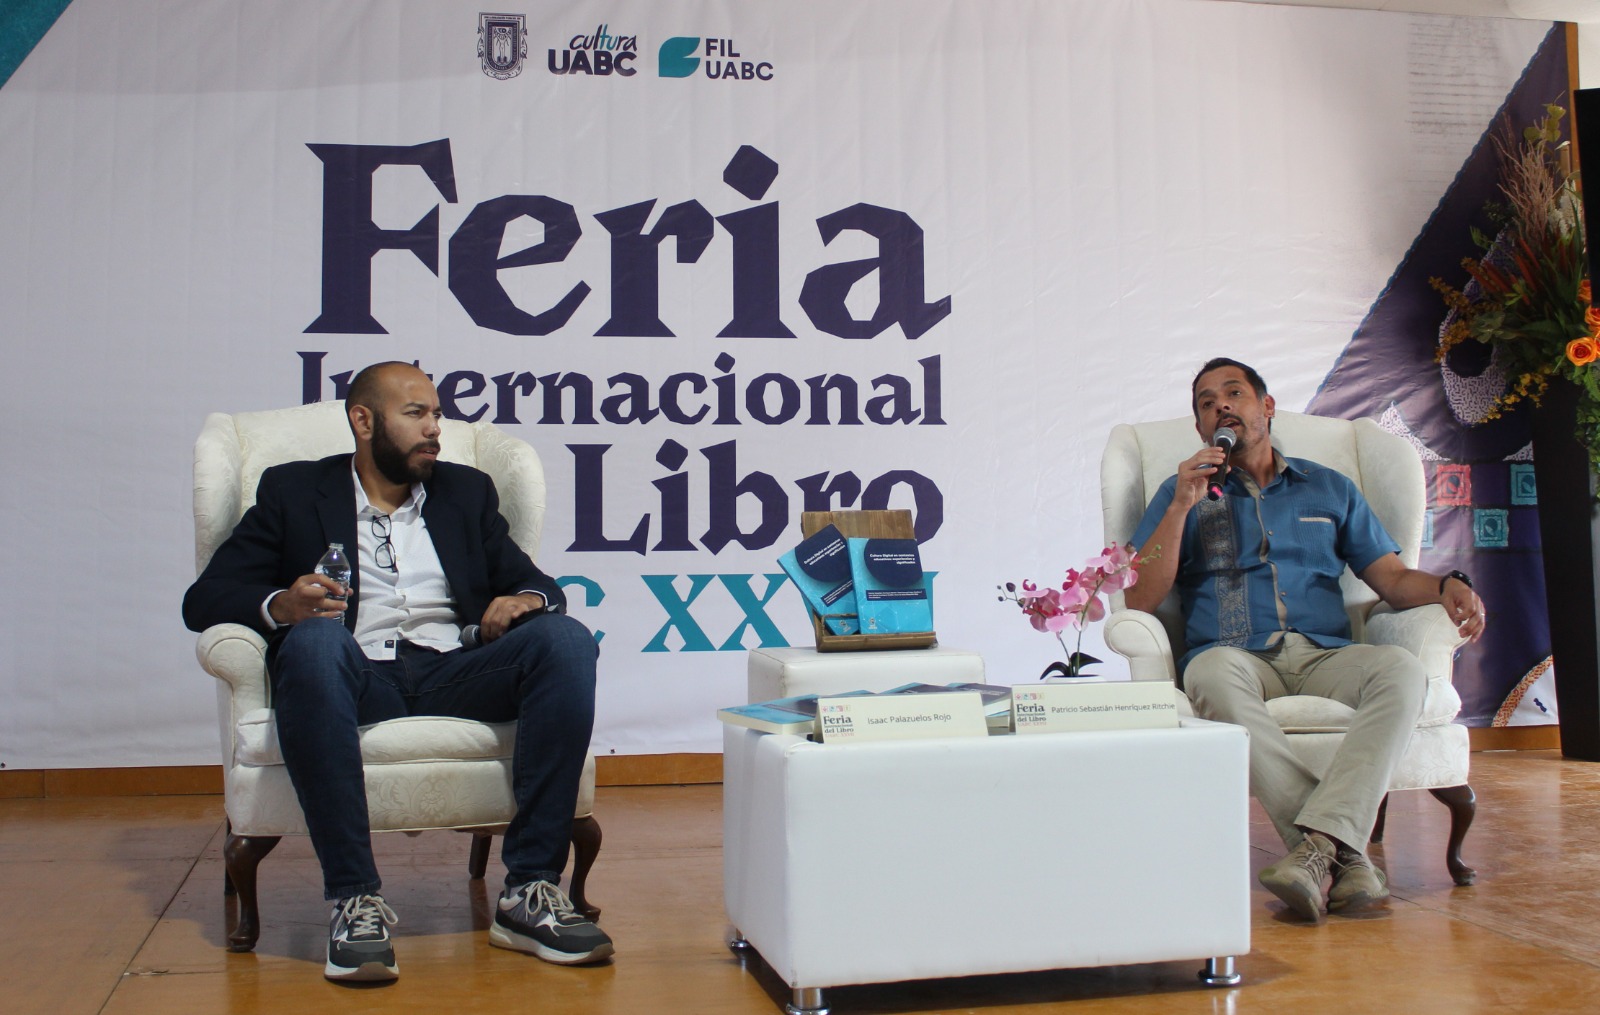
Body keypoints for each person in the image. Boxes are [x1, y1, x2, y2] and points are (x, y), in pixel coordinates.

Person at [183, 362, 612, 981]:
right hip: (355, 677)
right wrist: (282, 605)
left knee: (565, 640)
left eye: (437, 415)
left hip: (455, 672)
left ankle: (529, 891)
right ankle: (354, 898)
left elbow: (539, 584)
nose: (434, 429)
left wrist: (525, 600)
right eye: (416, 414)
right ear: (363, 421)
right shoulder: (294, 490)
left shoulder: (465, 492)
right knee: (313, 643)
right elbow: (204, 600)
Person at [1125, 357, 1486, 922]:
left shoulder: (1329, 487)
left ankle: (1316, 852)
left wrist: (1445, 585)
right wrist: (1179, 506)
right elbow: (1139, 599)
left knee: (1402, 670)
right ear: (1200, 428)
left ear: (1266, 407)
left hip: (1324, 653)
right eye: (1206, 403)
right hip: (1233, 653)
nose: (1221, 406)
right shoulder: (1181, 493)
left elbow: (1391, 579)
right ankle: (1345, 856)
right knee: (1209, 673)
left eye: (1234, 393)